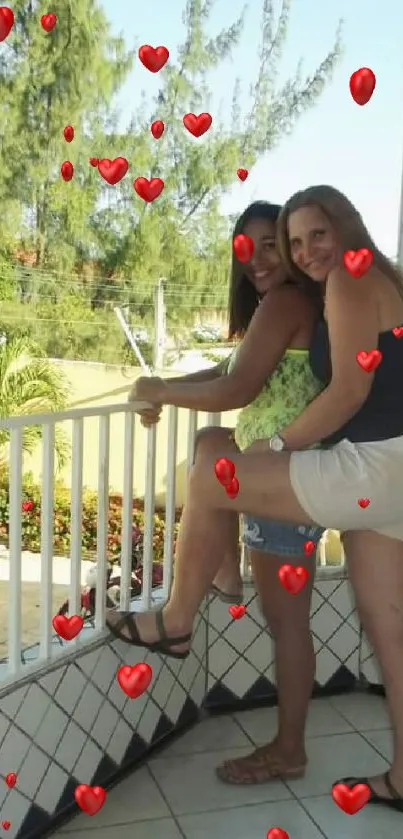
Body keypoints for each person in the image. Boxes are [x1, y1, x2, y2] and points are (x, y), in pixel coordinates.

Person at [108, 184, 403, 810]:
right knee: (390, 633)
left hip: (368, 469)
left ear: (342, 226)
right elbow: (245, 373)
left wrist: (276, 442)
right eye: (295, 242)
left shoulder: (346, 283)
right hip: (390, 472)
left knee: (215, 474)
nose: (300, 250)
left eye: (309, 236)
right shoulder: (370, 279)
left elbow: (345, 391)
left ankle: (179, 617)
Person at [126, 200, 326, 783]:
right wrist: (160, 385)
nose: (259, 258)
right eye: (248, 247)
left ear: (289, 249)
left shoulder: (288, 301)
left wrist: (160, 393)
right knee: (213, 444)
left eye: (272, 243)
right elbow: (228, 371)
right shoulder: (282, 304)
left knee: (287, 622)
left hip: (287, 479)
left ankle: (289, 750)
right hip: (279, 473)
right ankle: (215, 579)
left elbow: (236, 387)